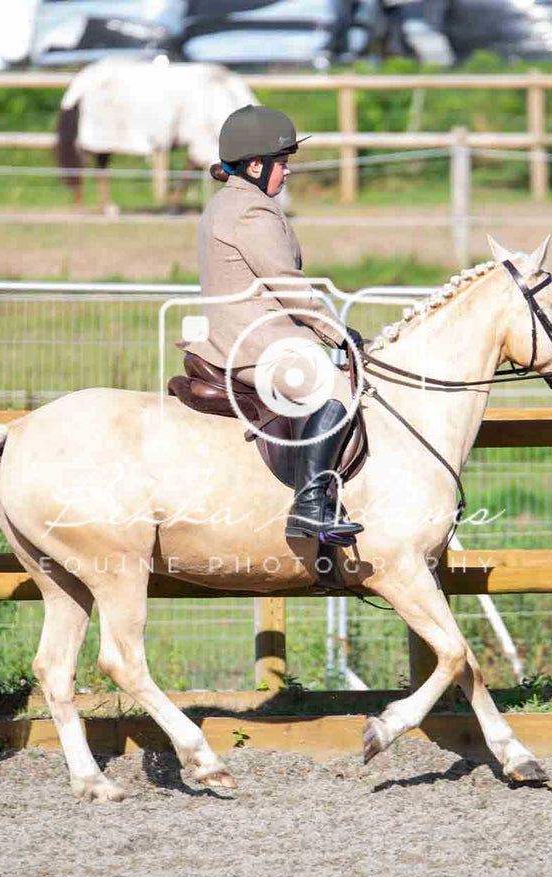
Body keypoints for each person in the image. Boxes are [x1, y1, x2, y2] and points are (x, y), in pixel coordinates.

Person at [184, 104, 363, 546]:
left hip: (248, 335)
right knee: (336, 388)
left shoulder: (232, 203)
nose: (287, 173)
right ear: (257, 164)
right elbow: (287, 285)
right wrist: (336, 332)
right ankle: (309, 505)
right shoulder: (251, 212)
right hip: (255, 342)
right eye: (282, 164)